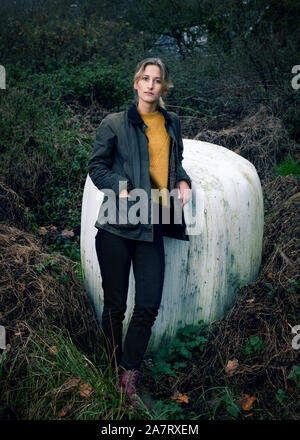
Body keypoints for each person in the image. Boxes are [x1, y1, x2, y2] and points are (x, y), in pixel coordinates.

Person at [88, 57, 192, 408]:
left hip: (154, 222)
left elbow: (175, 162)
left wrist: (182, 181)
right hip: (118, 223)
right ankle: (109, 369)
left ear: (164, 86)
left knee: (148, 305)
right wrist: (118, 185)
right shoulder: (114, 123)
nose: (150, 85)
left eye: (157, 80)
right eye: (144, 78)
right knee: (115, 305)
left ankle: (127, 375)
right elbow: (96, 167)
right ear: (136, 83)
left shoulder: (172, 122)